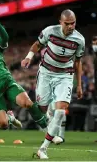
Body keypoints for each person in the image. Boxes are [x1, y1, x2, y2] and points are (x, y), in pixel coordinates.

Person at [21, 9, 85, 159]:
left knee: (61, 110)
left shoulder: (79, 40)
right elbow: (37, 44)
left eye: (73, 23)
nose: (71, 26)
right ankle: (49, 122)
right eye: (67, 23)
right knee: (42, 109)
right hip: (46, 73)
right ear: (60, 22)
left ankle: (43, 149)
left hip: (65, 76)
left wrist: (80, 85)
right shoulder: (50, 31)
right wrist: (28, 57)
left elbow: (78, 62)